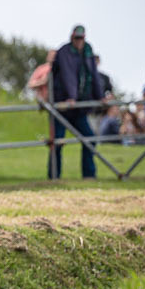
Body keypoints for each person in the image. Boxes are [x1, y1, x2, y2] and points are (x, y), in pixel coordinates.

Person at [49, 25, 103, 179]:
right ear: (71, 37)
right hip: (62, 106)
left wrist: (100, 97)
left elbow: (93, 74)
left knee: (89, 139)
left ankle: (89, 175)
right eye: (76, 38)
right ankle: (54, 177)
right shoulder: (64, 52)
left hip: (79, 108)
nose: (79, 41)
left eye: (81, 38)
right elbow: (68, 76)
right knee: (58, 141)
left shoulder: (88, 51)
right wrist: (71, 97)